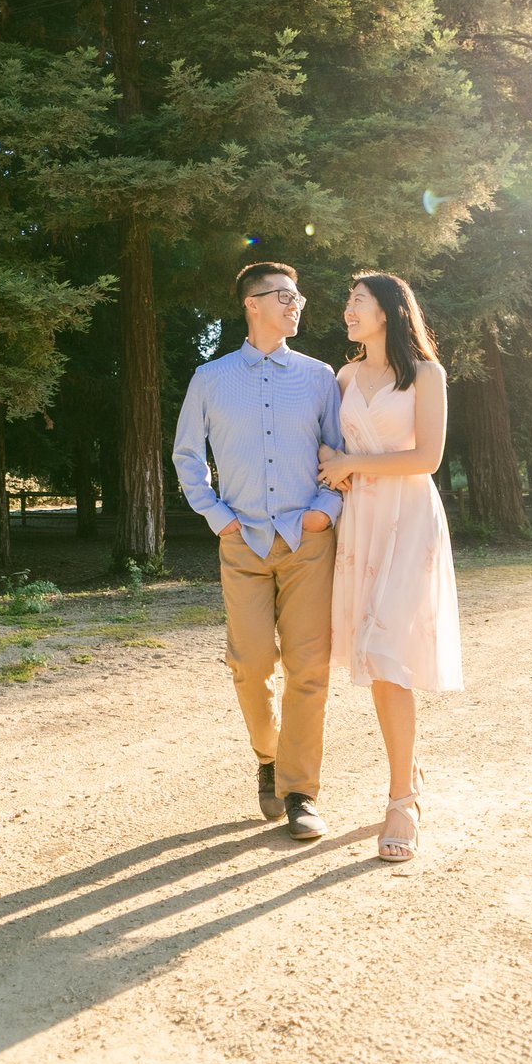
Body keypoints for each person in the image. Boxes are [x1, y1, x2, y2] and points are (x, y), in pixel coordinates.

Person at [171, 261, 344, 841]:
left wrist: (327, 510)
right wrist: (217, 517)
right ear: (252, 303)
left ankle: (301, 791)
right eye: (285, 296)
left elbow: (339, 455)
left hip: (307, 541)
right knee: (249, 664)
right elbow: (187, 456)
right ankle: (268, 757)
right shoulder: (210, 378)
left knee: (309, 668)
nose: (298, 305)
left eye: (299, 296)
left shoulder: (320, 376)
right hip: (241, 540)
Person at [318, 271, 463, 863]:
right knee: (373, 655)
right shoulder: (345, 376)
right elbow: (325, 447)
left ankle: (402, 798)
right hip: (362, 523)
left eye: (358, 300)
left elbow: (428, 457)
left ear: (388, 310)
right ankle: (410, 771)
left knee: (387, 651)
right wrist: (334, 462)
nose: (348, 309)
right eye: (349, 301)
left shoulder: (427, 375)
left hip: (409, 519)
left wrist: (351, 460)